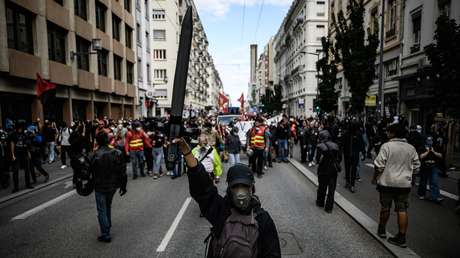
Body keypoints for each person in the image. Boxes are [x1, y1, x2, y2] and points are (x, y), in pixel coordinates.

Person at [173, 137, 281, 258]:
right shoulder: (221, 210)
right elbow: (202, 188)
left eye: (244, 186)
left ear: (252, 189)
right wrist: (188, 154)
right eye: (236, 187)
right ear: (229, 189)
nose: (240, 192)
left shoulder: (262, 219)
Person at [373, 123, 421, 248]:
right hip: (404, 184)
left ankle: (382, 230)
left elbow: (379, 165)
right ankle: (401, 237)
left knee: (385, 207)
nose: (387, 134)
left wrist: (375, 177)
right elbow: (417, 167)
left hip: (387, 183)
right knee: (402, 209)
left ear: (393, 133)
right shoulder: (411, 148)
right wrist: (409, 174)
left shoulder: (387, 146)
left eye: (389, 132)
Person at [89, 132, 127, 243]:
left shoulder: (94, 155)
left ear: (97, 141)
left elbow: (87, 172)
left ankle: (105, 233)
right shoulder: (117, 153)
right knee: (107, 206)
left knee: (102, 209)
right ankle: (107, 227)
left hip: (100, 186)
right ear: (107, 140)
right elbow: (122, 172)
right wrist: (123, 186)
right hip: (112, 186)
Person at [315, 130, 341, 213]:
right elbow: (339, 158)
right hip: (333, 170)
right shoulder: (336, 146)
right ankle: (329, 207)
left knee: (322, 187)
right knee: (331, 189)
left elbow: (317, 159)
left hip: (323, 169)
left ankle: (320, 202)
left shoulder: (320, 146)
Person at [417, 136, 444, 203]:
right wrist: (428, 151)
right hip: (425, 167)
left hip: (434, 167)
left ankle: (435, 197)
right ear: (426, 140)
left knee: (434, 182)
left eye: (431, 140)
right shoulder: (422, 147)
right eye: (428, 140)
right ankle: (421, 194)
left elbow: (441, 155)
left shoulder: (435, 147)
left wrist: (434, 152)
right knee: (423, 182)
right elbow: (421, 156)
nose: (430, 141)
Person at [10, 121, 33, 193]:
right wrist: (13, 154)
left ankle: (28, 184)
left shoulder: (24, 134)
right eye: (19, 127)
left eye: (21, 127)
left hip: (24, 153)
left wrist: (28, 152)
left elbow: (26, 143)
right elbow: (12, 144)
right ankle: (16, 187)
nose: (21, 129)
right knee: (15, 171)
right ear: (17, 128)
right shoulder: (14, 134)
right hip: (17, 154)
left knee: (27, 169)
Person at [343, 120, 365, 193]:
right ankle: (348, 182)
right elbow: (343, 144)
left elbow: (361, 144)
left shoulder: (358, 134)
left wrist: (363, 153)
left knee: (351, 170)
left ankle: (351, 184)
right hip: (348, 154)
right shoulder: (347, 133)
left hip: (353, 155)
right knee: (349, 169)